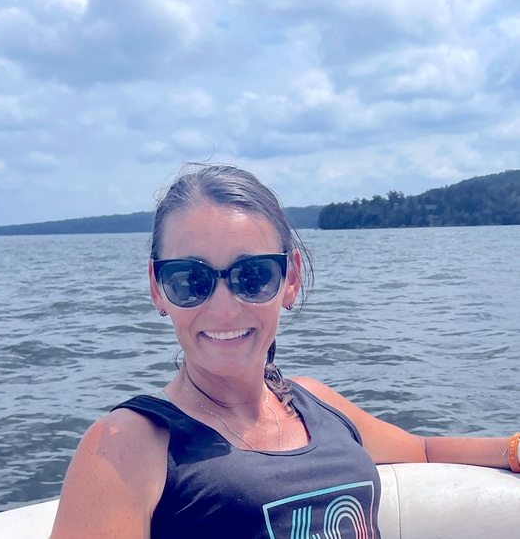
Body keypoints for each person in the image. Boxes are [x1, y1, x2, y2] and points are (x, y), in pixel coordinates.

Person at [50, 164, 519, 539]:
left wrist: (513, 449)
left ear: (290, 278)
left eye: (252, 276)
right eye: (190, 280)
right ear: (157, 288)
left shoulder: (317, 403)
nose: (224, 308)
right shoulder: (128, 445)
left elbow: (423, 450)